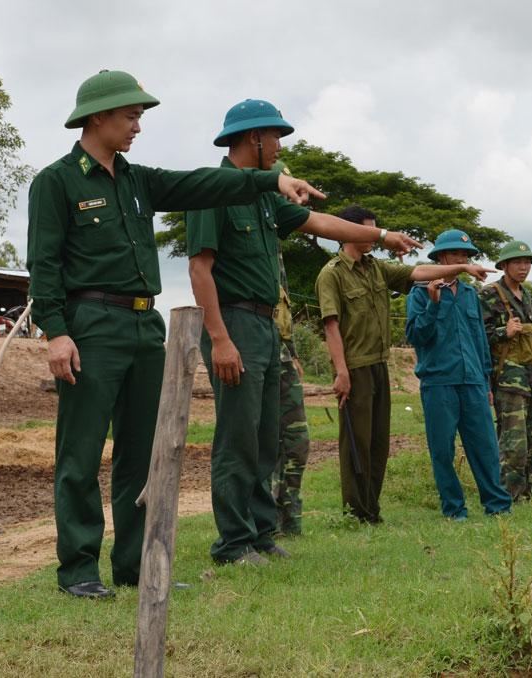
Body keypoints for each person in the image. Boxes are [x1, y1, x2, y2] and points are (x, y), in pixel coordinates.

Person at [27, 71, 323, 598]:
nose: (138, 125)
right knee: (81, 451)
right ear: (98, 117)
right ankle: (78, 570)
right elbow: (44, 263)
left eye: (139, 117)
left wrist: (271, 181)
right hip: (90, 325)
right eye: (130, 116)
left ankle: (136, 566)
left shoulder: (139, 179)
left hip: (146, 326)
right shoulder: (57, 182)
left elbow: (202, 183)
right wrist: (55, 332)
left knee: (141, 453)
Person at [187, 100, 422, 565]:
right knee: (237, 436)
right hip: (234, 322)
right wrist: (219, 338)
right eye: (276, 138)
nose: (279, 147)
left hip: (267, 324)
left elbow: (320, 222)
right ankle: (231, 543)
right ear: (253, 137)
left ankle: (258, 534)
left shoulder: (266, 197)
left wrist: (382, 236)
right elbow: (200, 269)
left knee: (265, 436)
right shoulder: (212, 190)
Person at [316, 209, 496, 523]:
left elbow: (416, 271)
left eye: (376, 232)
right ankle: (356, 512)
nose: (374, 238)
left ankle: (371, 511)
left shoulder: (378, 269)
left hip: (380, 365)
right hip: (356, 367)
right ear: (346, 233)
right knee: (357, 442)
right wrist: (340, 370)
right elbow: (331, 325)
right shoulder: (331, 273)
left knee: (378, 442)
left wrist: (465, 267)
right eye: (368, 233)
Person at [405, 230, 513, 520]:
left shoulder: (469, 295)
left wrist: (486, 378)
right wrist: (433, 303)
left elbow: (479, 338)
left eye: (466, 256)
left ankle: (497, 506)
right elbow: (416, 335)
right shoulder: (418, 293)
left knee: (486, 446)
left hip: (474, 382)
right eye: (456, 255)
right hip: (438, 383)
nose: (462, 259)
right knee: (442, 450)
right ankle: (454, 509)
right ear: (440, 258)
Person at [478, 241, 532, 500]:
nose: (524, 267)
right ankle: (511, 495)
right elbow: (475, 337)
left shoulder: (528, 296)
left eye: (528, 263)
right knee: (514, 445)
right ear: (504, 266)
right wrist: (503, 332)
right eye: (518, 263)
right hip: (508, 382)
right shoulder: (488, 294)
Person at [272, 244, 310, 536]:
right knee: (262, 444)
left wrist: (293, 353)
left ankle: (291, 524)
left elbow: (283, 308)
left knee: (297, 442)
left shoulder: (276, 246)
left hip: (281, 351)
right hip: (251, 347)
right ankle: (264, 526)